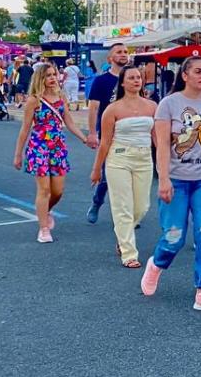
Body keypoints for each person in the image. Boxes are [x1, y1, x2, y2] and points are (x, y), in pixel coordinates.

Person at [143, 56, 201, 313]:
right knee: (173, 237)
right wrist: (164, 179)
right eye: (198, 71)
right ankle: (157, 264)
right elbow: (162, 145)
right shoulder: (169, 104)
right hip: (177, 180)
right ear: (185, 75)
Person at [13, 63, 89, 242]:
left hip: (58, 147)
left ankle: (45, 211)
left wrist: (85, 139)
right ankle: (44, 228)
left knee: (58, 191)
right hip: (39, 147)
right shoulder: (34, 100)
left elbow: (69, 122)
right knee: (44, 189)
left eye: (54, 74)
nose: (52, 78)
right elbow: (25, 128)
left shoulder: (61, 97)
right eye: (48, 75)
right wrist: (18, 154)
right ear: (40, 78)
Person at [91, 67, 157, 267]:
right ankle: (129, 253)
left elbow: (158, 138)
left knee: (142, 206)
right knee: (123, 207)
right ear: (122, 83)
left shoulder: (152, 106)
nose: (136, 81)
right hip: (119, 158)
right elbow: (105, 142)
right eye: (131, 78)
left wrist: (166, 162)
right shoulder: (112, 109)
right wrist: (96, 169)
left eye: (138, 77)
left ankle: (122, 235)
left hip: (144, 158)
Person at [86, 43, 130, 224]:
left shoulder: (133, 78)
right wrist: (92, 133)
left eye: (125, 52)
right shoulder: (101, 81)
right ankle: (97, 202)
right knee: (107, 174)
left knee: (130, 174)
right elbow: (93, 107)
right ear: (110, 58)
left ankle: (127, 213)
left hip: (130, 132)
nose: (123, 54)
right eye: (119, 52)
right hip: (108, 132)